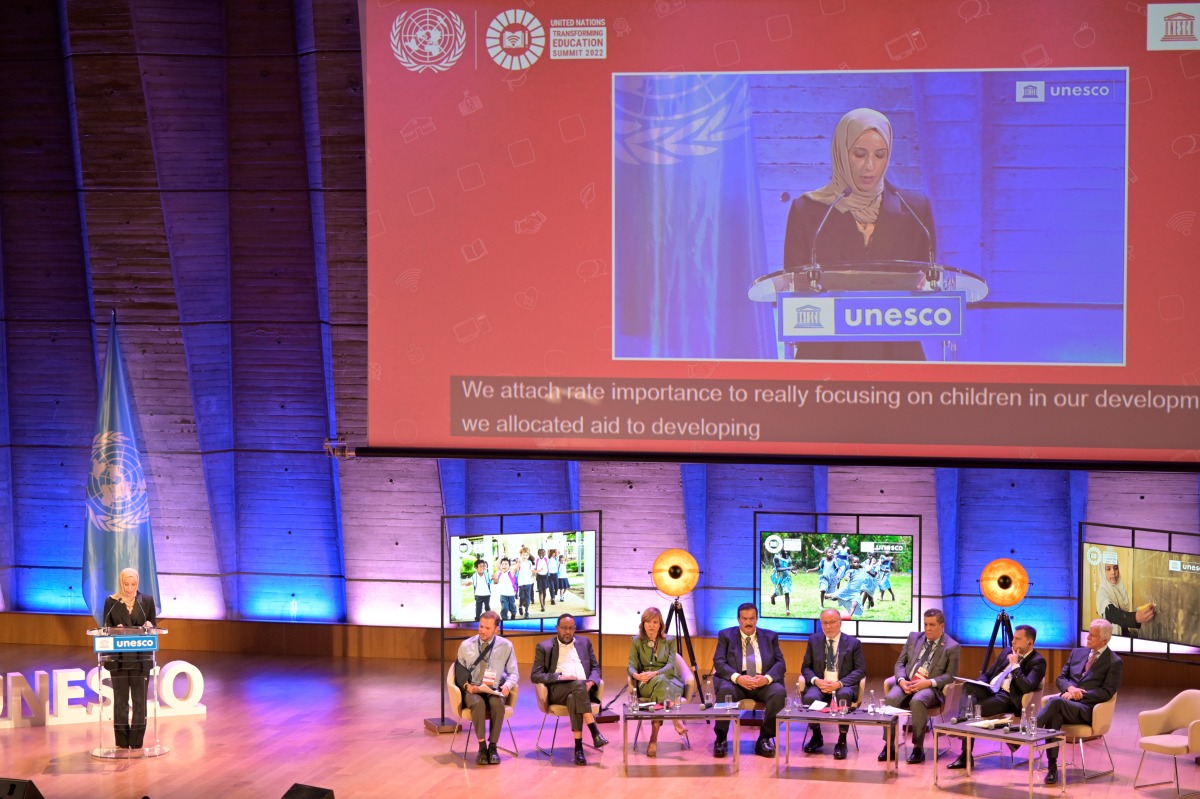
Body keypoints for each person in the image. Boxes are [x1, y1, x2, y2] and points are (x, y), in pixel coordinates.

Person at [782, 107, 936, 361]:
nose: (870, 166)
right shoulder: (808, 210)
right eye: (859, 154)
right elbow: (793, 286)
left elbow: (928, 282)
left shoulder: (915, 210)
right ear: (842, 152)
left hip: (896, 355)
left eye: (880, 155)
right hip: (826, 356)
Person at [1037, 618, 1123, 785]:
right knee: (1055, 717)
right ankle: (1052, 768)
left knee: (1055, 703)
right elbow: (1061, 678)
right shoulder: (1077, 653)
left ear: (1104, 640)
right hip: (1068, 704)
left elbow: (1107, 692)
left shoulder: (1114, 662)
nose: (1088, 637)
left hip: (1088, 710)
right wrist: (1070, 689)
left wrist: (1080, 695)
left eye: (1092, 635)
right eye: (1088, 633)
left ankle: (1026, 732)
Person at [948, 624, 1046, 770]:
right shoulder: (1007, 651)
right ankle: (964, 730)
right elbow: (987, 674)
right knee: (968, 687)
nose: (1012, 642)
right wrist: (980, 683)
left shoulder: (1038, 661)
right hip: (990, 689)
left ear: (1030, 643)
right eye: (1013, 638)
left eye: (1017, 639)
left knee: (974, 710)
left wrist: (1015, 665)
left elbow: (1027, 686)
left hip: (1007, 698)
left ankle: (965, 753)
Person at [882, 607, 960, 764]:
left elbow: (950, 675)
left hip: (930, 687)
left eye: (932, 625)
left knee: (917, 701)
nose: (928, 629)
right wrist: (901, 680)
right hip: (907, 682)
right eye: (925, 624)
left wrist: (929, 682)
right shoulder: (914, 638)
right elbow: (900, 663)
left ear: (942, 626)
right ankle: (889, 744)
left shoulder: (952, 646)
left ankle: (918, 748)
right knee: (890, 699)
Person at [712, 603, 788, 759]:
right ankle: (721, 739)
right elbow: (719, 662)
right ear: (738, 619)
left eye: (752, 619)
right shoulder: (725, 635)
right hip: (736, 682)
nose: (748, 622)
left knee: (779, 692)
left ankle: (765, 738)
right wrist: (738, 678)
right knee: (725, 691)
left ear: (757, 619)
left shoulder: (770, 636)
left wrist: (766, 679)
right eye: (745, 619)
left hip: (762, 682)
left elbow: (780, 663)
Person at [531, 614, 609, 765]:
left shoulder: (584, 642)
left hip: (582, 691)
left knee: (575, 696)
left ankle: (578, 748)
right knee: (578, 686)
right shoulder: (544, 647)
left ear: (575, 629)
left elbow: (595, 668)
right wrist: (559, 676)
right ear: (557, 629)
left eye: (571, 628)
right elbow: (535, 675)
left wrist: (592, 681)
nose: (567, 631)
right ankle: (594, 731)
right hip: (557, 690)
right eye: (564, 628)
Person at [100, 567, 158, 749]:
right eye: (126, 584)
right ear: (121, 582)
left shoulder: (146, 601)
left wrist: (149, 626)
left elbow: (153, 626)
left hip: (141, 660)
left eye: (133, 584)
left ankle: (137, 741)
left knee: (140, 701)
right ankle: (122, 741)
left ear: (137, 583)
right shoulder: (111, 602)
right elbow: (105, 628)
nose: (130, 588)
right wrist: (114, 630)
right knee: (120, 701)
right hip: (119, 659)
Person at [800, 608, 866, 760]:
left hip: (843, 685)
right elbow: (805, 667)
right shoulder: (814, 640)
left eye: (832, 622)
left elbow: (860, 670)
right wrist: (817, 681)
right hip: (820, 684)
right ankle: (817, 736)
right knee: (809, 698)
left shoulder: (853, 643)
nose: (828, 627)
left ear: (840, 622)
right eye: (825, 623)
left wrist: (839, 684)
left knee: (843, 696)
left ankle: (842, 741)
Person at [456, 610, 518, 765]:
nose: (482, 630)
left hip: (494, 688)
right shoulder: (466, 645)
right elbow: (458, 672)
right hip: (474, 688)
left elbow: (514, 674)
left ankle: (493, 747)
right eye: (481, 626)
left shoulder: (506, 646)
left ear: (496, 629)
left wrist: (507, 687)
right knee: (478, 703)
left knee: (497, 703)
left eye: (487, 628)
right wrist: (467, 686)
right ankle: (482, 747)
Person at [627, 607, 686, 757]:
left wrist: (656, 673)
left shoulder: (670, 641)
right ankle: (675, 719)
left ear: (660, 625)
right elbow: (631, 665)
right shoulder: (636, 641)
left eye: (655, 622)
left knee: (661, 682)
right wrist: (637, 676)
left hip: (671, 681)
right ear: (643, 624)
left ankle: (653, 739)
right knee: (660, 684)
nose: (651, 625)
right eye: (648, 622)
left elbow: (671, 665)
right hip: (646, 683)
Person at [1095, 554, 1155, 637]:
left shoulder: (1119, 588)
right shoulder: (1102, 592)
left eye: (1115, 568)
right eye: (1108, 569)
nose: (1113, 572)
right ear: (1102, 571)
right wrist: (1136, 617)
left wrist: (1140, 615)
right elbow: (1112, 614)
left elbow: (1122, 613)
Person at [516, 547, 535, 618]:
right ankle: (520, 606)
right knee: (522, 597)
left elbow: (532, 571)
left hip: (528, 582)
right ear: (521, 555)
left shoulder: (530, 562)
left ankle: (526, 611)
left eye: (526, 555)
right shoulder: (519, 562)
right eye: (523, 555)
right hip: (521, 582)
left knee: (528, 597)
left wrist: (536, 571)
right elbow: (515, 569)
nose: (525, 556)